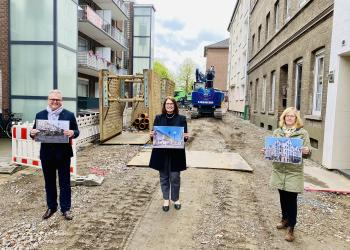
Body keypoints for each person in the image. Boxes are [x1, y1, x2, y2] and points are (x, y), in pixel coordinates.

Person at [30, 89, 80, 220]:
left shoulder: (69, 115)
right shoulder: (40, 114)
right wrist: (32, 133)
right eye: (52, 99)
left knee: (65, 183)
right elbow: (34, 132)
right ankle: (51, 207)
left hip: (63, 154)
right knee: (49, 182)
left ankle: (66, 209)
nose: (55, 102)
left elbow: (77, 131)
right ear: (48, 100)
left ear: (61, 101)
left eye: (57, 99)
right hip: (46, 154)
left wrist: (72, 133)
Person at [266, 107, 311, 242]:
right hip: (279, 170)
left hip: (293, 171)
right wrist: (267, 150)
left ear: (296, 119)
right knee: (283, 197)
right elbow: (272, 149)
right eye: (287, 116)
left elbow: (308, 152)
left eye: (292, 116)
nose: (290, 118)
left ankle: (291, 228)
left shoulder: (302, 133)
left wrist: (306, 151)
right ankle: (284, 219)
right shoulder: (277, 132)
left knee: (291, 200)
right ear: (284, 118)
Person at [149, 96, 189, 212]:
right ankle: (166, 199)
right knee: (164, 177)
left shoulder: (181, 119)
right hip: (162, 153)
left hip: (176, 154)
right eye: (167, 104)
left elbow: (184, 137)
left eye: (171, 104)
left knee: (175, 177)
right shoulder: (158, 118)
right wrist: (152, 136)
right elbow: (155, 138)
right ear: (164, 106)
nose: (169, 106)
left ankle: (175, 199)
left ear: (175, 106)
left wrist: (185, 137)